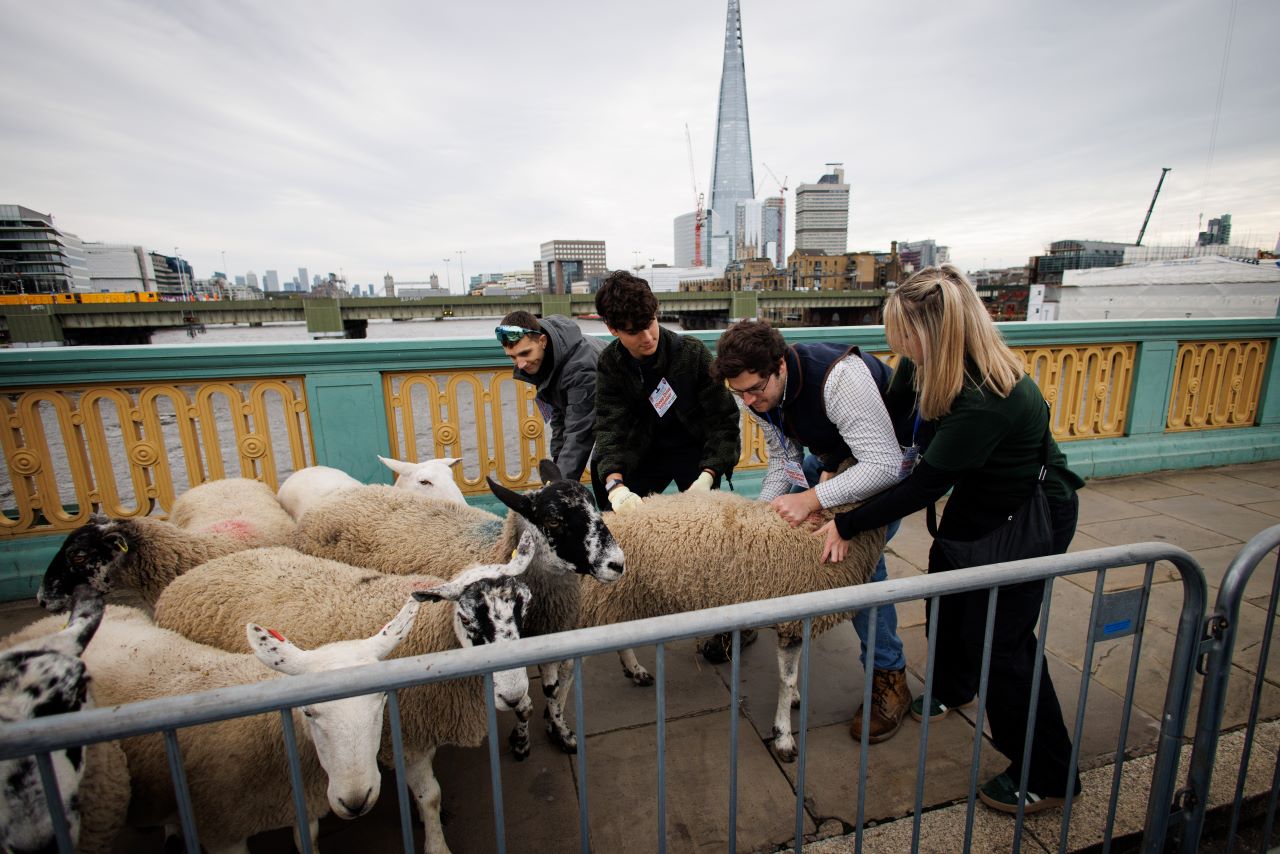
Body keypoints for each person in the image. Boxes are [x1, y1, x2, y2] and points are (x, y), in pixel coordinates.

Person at [817, 264, 1085, 814]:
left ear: (935, 334)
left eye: (906, 337)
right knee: (947, 596)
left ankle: (1049, 773)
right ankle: (954, 685)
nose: (898, 349)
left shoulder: (986, 398)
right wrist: (838, 465)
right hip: (980, 506)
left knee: (1003, 646)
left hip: (1031, 514)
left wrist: (844, 521)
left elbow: (923, 484)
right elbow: (889, 422)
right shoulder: (924, 365)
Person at [711, 319, 911, 743]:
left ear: (780, 366)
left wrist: (813, 501)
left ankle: (889, 677)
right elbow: (783, 458)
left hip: (892, 461)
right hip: (833, 459)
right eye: (739, 393)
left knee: (860, 569)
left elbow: (883, 464)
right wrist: (762, 516)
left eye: (755, 389)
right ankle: (757, 613)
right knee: (773, 535)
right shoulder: (758, 394)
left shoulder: (839, 377)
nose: (749, 401)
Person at [592, 270, 741, 515]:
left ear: (656, 312)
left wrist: (709, 474)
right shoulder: (610, 363)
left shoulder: (692, 353)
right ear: (612, 329)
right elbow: (610, 430)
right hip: (643, 452)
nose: (648, 337)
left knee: (708, 520)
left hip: (694, 451)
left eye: (650, 323)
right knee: (615, 518)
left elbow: (724, 420)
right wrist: (615, 485)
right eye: (633, 332)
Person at [495, 310, 608, 507]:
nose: (519, 364)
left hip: (636, 413)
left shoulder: (579, 368)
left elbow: (579, 433)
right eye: (512, 357)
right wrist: (555, 475)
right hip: (609, 416)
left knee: (604, 467)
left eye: (524, 353)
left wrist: (556, 488)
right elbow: (560, 418)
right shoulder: (548, 359)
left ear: (542, 341)